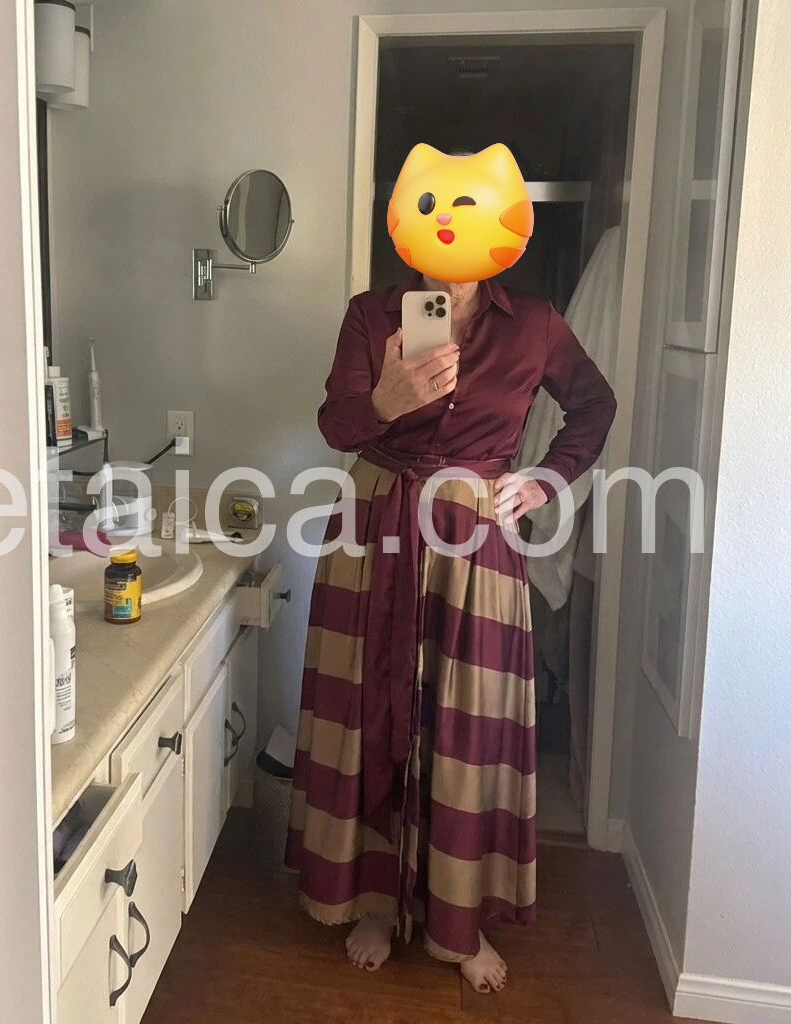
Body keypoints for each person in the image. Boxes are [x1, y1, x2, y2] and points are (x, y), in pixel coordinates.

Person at [285, 267, 616, 994]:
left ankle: (460, 919)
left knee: (468, 723)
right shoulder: (373, 314)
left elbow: (595, 405)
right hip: (376, 521)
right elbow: (336, 424)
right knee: (367, 708)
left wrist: (545, 480)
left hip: (476, 534)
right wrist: (385, 402)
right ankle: (375, 903)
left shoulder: (534, 321)